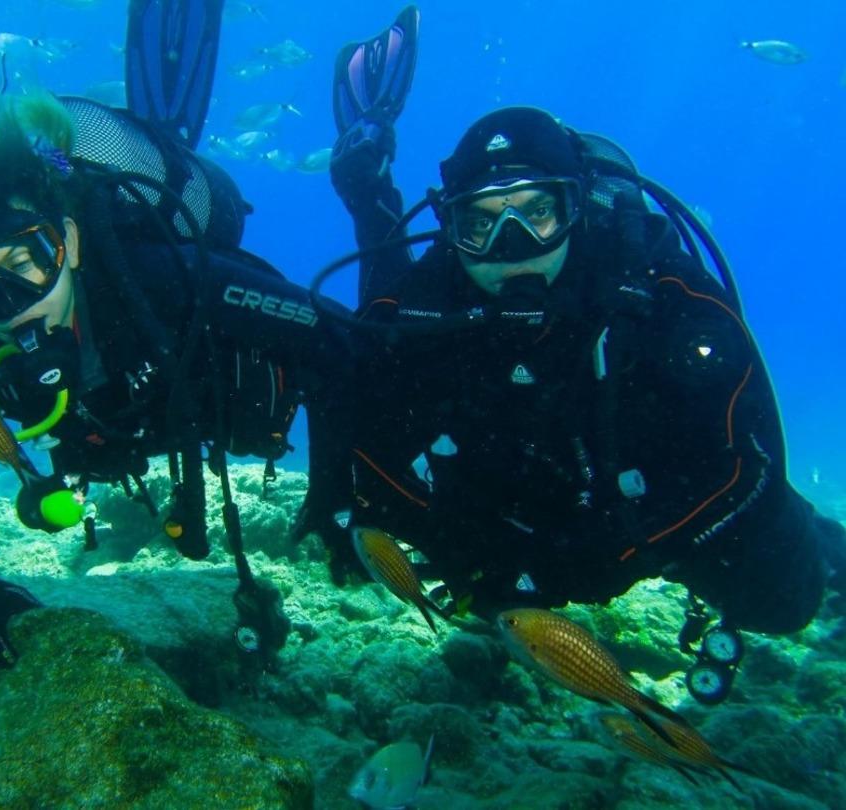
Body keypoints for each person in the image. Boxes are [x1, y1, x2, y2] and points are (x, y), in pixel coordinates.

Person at [0, 0, 352, 674]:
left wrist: (336, 492)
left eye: (22, 264)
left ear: (65, 241)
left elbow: (339, 342)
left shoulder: (164, 279)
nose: (4, 305)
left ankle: (169, 131)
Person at [319, 7, 845, 702]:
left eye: (536, 211)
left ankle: (825, 539)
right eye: (481, 221)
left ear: (577, 211)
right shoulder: (430, 294)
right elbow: (368, 389)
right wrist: (433, 531)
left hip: (648, 507)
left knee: (784, 603)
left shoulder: (658, 294)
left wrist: (615, 556)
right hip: (519, 497)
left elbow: (746, 467)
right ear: (453, 231)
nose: (511, 244)